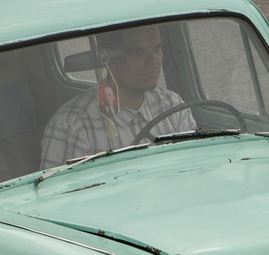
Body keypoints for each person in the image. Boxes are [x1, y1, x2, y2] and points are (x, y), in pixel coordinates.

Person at [39, 24, 193, 166]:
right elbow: (57, 186)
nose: (152, 61)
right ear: (108, 58)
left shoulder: (173, 106)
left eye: (157, 48)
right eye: (137, 52)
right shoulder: (72, 125)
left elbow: (194, 165)